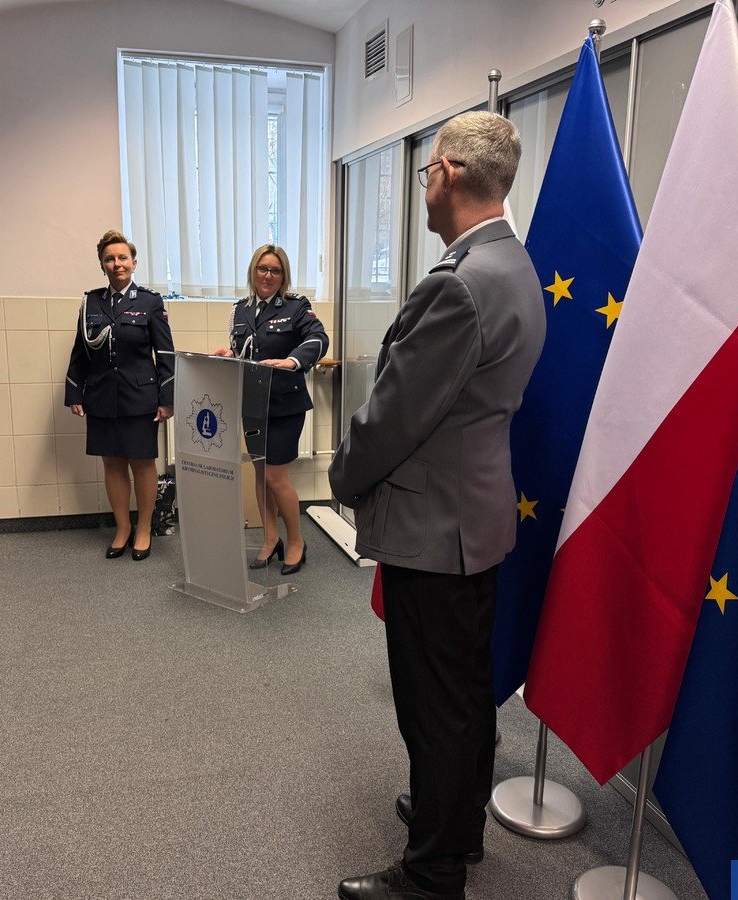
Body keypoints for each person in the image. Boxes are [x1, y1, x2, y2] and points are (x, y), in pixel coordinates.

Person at [329, 111, 545, 900]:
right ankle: (455, 825)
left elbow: (394, 416)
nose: (424, 188)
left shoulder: (460, 283)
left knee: (434, 705)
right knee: (462, 693)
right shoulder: (513, 264)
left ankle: (431, 874)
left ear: (448, 173)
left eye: (426, 173)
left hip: (434, 529)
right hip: (473, 518)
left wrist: (342, 477)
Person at [210, 244, 328, 576]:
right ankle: (270, 538)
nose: (268, 275)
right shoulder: (240, 310)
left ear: (283, 276)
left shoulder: (296, 307)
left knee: (276, 476)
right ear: (253, 271)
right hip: (252, 404)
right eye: (263, 268)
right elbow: (244, 352)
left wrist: (293, 361)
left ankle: (296, 541)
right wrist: (229, 356)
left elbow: (318, 338)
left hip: (285, 405)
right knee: (261, 474)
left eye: (276, 270)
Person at [65, 229, 174, 561]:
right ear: (102, 265)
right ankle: (123, 528)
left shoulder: (150, 302)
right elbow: (81, 351)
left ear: (134, 262)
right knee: (112, 463)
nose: (117, 264)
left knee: (142, 463)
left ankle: (144, 528)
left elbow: (165, 353)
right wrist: (75, 392)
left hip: (139, 396)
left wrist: (167, 398)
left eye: (122, 257)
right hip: (101, 395)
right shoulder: (91, 302)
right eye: (110, 259)